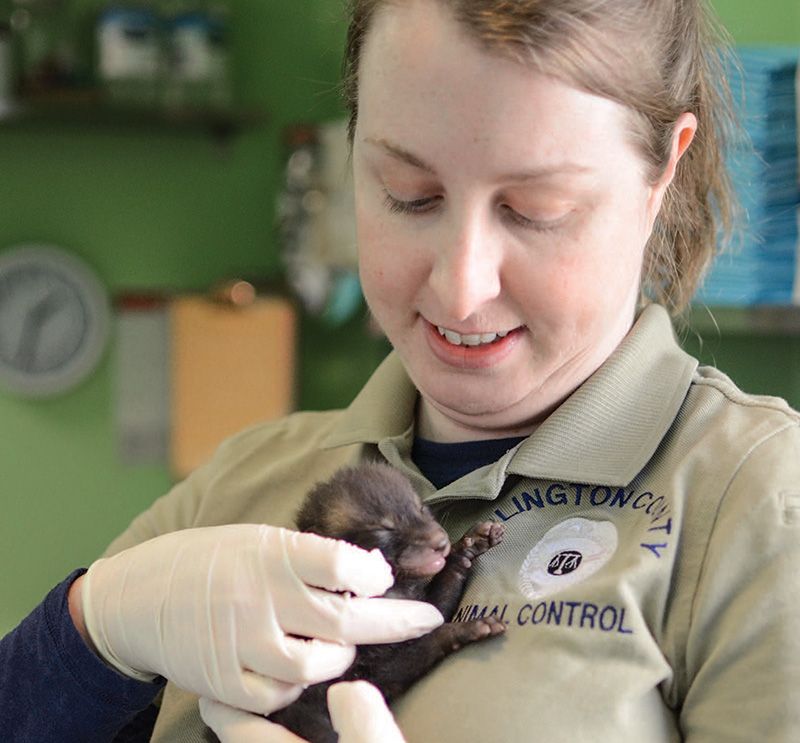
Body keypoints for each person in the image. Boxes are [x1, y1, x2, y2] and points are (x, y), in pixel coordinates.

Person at [3, 0, 800, 740]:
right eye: (409, 194)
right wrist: (88, 628)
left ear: (663, 171)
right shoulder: (245, 481)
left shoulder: (755, 501)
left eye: (537, 210)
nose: (461, 283)